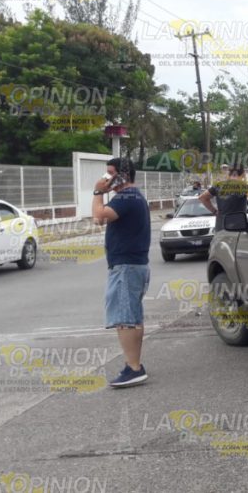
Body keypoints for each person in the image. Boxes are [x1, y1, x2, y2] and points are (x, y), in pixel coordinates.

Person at [92, 157, 152, 388]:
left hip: (127, 267)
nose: (106, 178)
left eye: (110, 173)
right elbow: (100, 220)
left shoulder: (127, 197)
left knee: (125, 319)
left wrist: (98, 191)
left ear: (122, 176)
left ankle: (134, 368)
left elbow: (97, 216)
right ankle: (134, 364)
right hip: (131, 265)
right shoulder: (130, 197)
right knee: (132, 317)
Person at [199, 165, 248, 230]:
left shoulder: (218, 185)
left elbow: (202, 197)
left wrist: (214, 211)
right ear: (243, 174)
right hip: (237, 227)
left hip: (221, 226)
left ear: (229, 173)